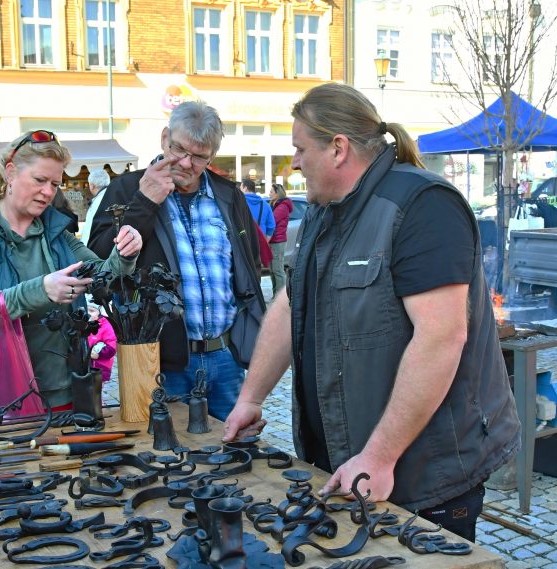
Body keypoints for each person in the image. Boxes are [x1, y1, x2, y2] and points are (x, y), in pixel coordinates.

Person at [222, 83, 520, 542]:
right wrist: (251, 398)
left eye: (300, 149)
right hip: (345, 467)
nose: (294, 163)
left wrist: (380, 455)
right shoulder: (325, 212)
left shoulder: (423, 206)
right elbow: (289, 301)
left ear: (338, 148)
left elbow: (441, 337)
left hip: (426, 474)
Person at [0, 130, 142, 569]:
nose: (49, 192)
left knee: (60, 495)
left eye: (56, 184)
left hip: (61, 389)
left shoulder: (56, 232)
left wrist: (124, 256)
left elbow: (97, 275)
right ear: (9, 171)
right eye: (40, 180)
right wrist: (41, 289)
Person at [89, 101, 266, 421]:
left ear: (212, 155)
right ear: (164, 137)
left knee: (234, 453)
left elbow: (248, 267)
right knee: (169, 460)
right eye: (179, 149)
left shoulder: (228, 195)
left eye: (199, 156)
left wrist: (248, 340)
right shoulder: (126, 189)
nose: (186, 162)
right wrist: (144, 203)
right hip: (161, 362)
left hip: (225, 359)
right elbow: (100, 267)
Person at [268, 183, 293, 296]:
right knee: (272, 270)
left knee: (277, 270)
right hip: (273, 240)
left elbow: (271, 221)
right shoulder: (275, 205)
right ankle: (275, 295)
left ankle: (281, 298)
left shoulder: (282, 206)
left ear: (278, 193)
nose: (269, 194)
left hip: (278, 241)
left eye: (271, 192)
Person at [87, 302, 117, 382]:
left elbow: (112, 347)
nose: (88, 313)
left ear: (100, 312)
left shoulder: (107, 326)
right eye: (86, 310)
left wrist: (99, 353)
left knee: (96, 389)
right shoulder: (85, 324)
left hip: (100, 366)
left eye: (91, 311)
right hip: (86, 363)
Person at [80, 169, 111, 245]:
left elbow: (88, 233)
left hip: (96, 249)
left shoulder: (97, 202)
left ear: (92, 186)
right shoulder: (113, 196)